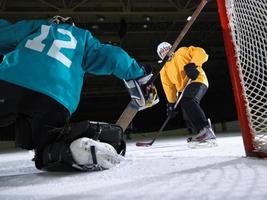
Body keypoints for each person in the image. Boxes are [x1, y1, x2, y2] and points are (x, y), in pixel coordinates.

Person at [0, 16, 158, 171]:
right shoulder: (82, 38)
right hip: (54, 97)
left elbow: (4, 33)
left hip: (9, 82)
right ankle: (77, 149)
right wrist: (138, 73)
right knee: (48, 151)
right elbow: (113, 57)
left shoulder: (36, 27)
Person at [157, 42, 216, 146]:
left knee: (187, 101)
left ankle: (205, 130)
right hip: (185, 88)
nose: (165, 52)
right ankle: (201, 133)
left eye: (167, 49)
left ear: (172, 49)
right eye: (162, 52)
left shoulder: (181, 52)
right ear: (160, 55)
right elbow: (169, 87)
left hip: (197, 80)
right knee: (186, 111)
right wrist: (171, 104)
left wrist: (193, 64)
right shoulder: (164, 69)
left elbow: (200, 52)